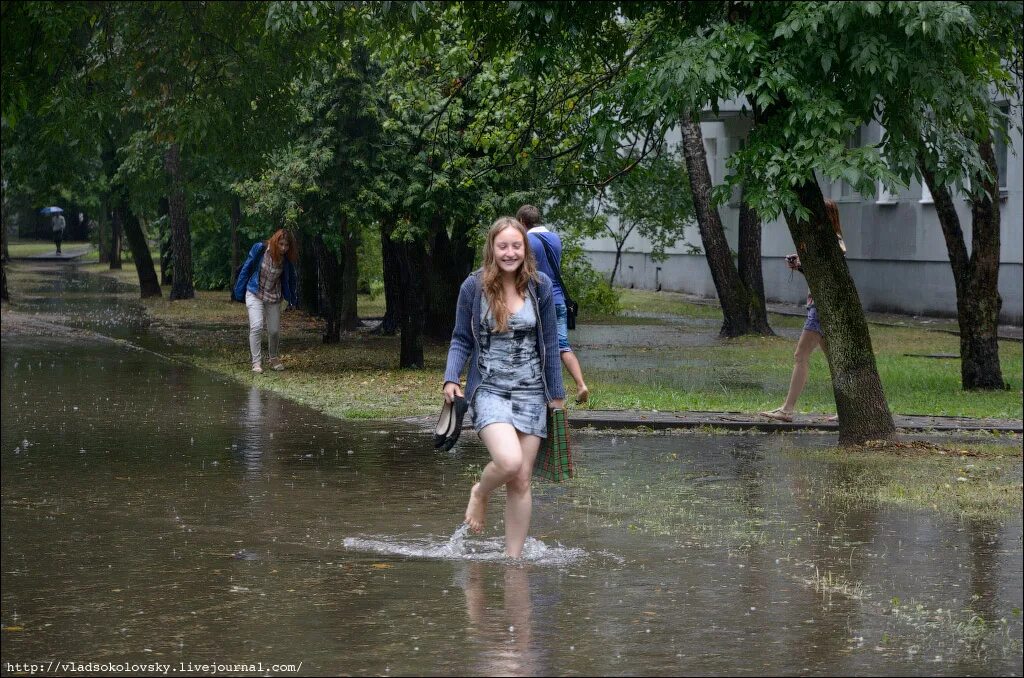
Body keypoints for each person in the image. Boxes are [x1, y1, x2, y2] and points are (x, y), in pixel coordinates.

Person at [443, 216, 565, 558]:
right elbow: (460, 339)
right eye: (503, 246)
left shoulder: (539, 286)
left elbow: (551, 345)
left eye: (516, 245)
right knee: (509, 462)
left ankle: (514, 561)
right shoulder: (474, 287)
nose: (510, 252)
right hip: (491, 391)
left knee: (522, 480)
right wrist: (451, 377)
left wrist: (556, 396)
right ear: (492, 249)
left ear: (525, 248)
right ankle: (480, 492)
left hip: (532, 394)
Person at [760, 199, 847, 423]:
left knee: (801, 355)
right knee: (834, 360)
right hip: (821, 305)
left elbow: (829, 265)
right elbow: (821, 272)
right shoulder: (826, 242)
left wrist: (802, 263)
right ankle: (847, 411)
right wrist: (800, 265)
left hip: (821, 307)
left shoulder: (833, 242)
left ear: (827, 216)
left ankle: (787, 410)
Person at [517, 204, 590, 404]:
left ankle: (536, 390)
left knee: (535, 346)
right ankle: (581, 384)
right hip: (559, 300)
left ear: (522, 222)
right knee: (562, 346)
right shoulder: (556, 239)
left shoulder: (527, 241)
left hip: (539, 299)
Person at [232, 229, 298, 374]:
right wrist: (238, 291)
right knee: (256, 326)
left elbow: (291, 279)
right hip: (254, 292)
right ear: (275, 241)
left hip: (273, 296)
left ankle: (273, 358)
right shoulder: (260, 249)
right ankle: (256, 362)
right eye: (281, 244)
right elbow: (246, 268)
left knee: (274, 330)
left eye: (286, 245)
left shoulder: (286, 259)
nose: (283, 248)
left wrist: (293, 299)